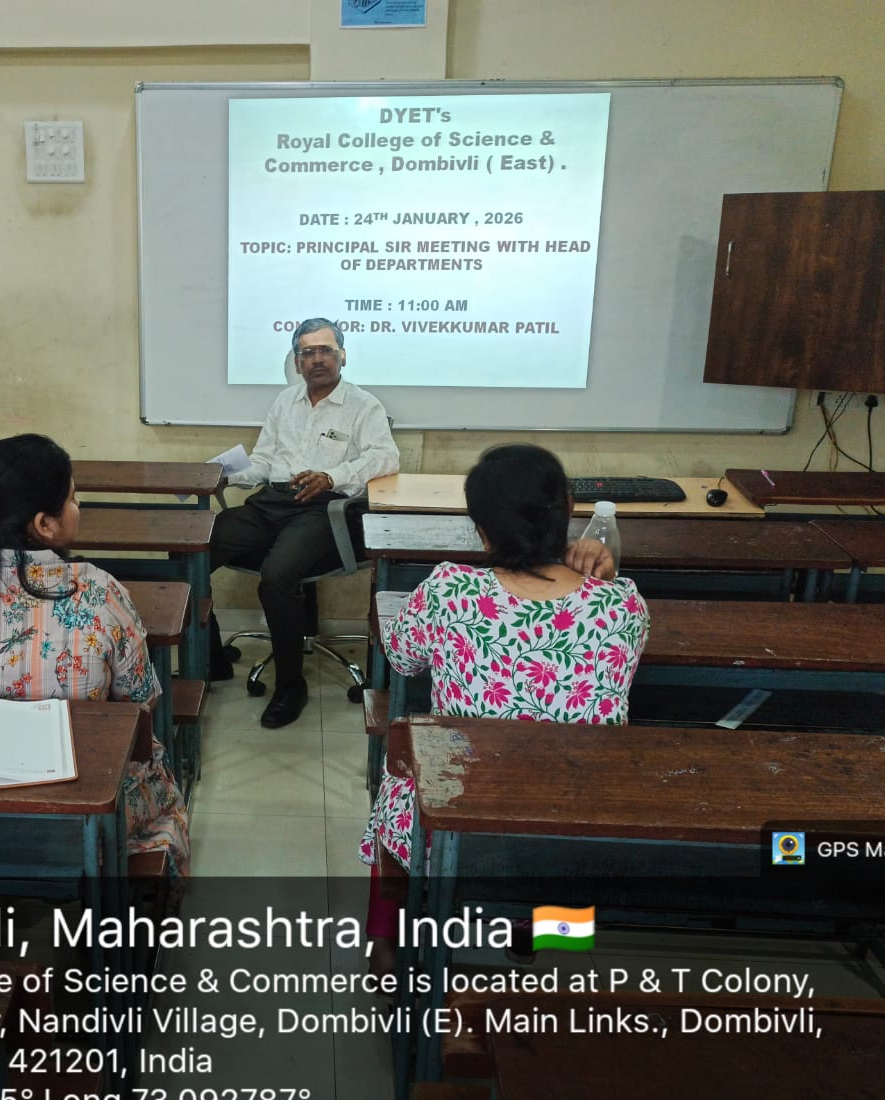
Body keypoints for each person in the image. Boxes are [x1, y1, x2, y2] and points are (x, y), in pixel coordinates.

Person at [360, 444, 650, 943]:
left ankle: (387, 948)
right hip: (573, 832)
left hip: (456, 828)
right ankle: (543, 934)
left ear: (480, 527)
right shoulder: (622, 605)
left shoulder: (448, 590)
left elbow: (402, 659)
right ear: (569, 511)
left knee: (401, 778)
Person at [0, 434, 190, 877]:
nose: (78, 505)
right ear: (44, 524)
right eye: (73, 498)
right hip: (69, 814)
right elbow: (139, 702)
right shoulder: (97, 593)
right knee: (151, 774)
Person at [209, 317, 400, 728]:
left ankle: (290, 686)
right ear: (297, 362)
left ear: (342, 356)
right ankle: (211, 658)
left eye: (325, 350)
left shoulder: (363, 405)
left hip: (324, 509)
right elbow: (264, 462)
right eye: (308, 352)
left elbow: (385, 458)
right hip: (272, 503)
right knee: (195, 544)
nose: (317, 359)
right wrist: (223, 475)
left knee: (277, 576)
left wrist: (332, 477)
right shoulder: (285, 402)